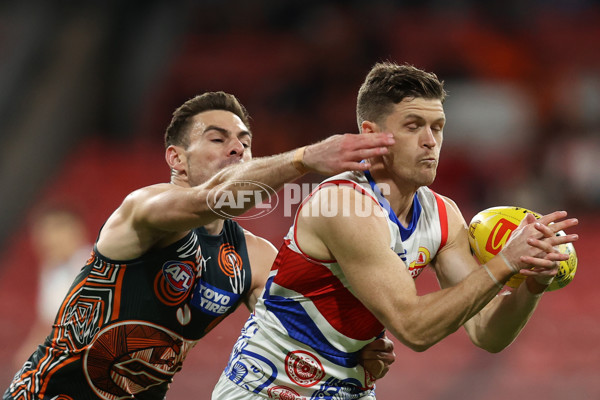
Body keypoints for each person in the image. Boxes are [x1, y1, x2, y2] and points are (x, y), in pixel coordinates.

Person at [212, 62, 580, 400]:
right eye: (412, 126)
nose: (430, 140)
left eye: (437, 127)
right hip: (266, 390)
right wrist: (504, 263)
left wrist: (532, 281)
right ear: (371, 135)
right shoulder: (342, 205)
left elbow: (487, 331)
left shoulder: (443, 214)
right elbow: (414, 327)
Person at [3, 91, 397, 399]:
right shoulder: (143, 211)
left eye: (245, 142)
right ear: (176, 158)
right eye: (217, 138)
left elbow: (305, 332)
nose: (237, 149)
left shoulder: (255, 258)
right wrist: (305, 158)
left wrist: (358, 354)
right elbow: (212, 199)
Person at [12, 204, 92, 370]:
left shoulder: (95, 267)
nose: (47, 239)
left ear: (77, 230)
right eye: (42, 232)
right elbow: (49, 321)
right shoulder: (52, 269)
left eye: (55, 230)